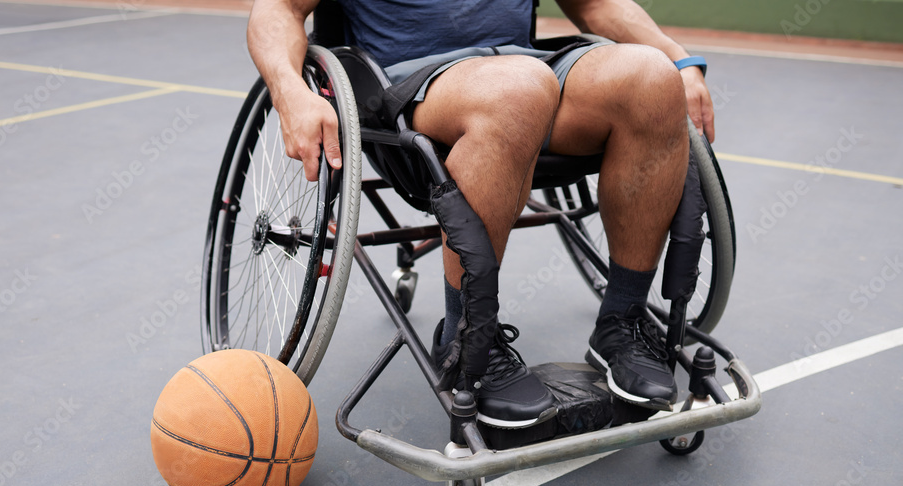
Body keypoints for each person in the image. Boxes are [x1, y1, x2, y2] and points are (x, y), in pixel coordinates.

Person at [246, 0, 716, 427]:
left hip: (535, 71)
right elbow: (278, 9)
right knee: (519, 89)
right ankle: (467, 341)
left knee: (654, 76)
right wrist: (290, 91)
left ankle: (622, 323)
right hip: (410, 87)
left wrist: (678, 56)